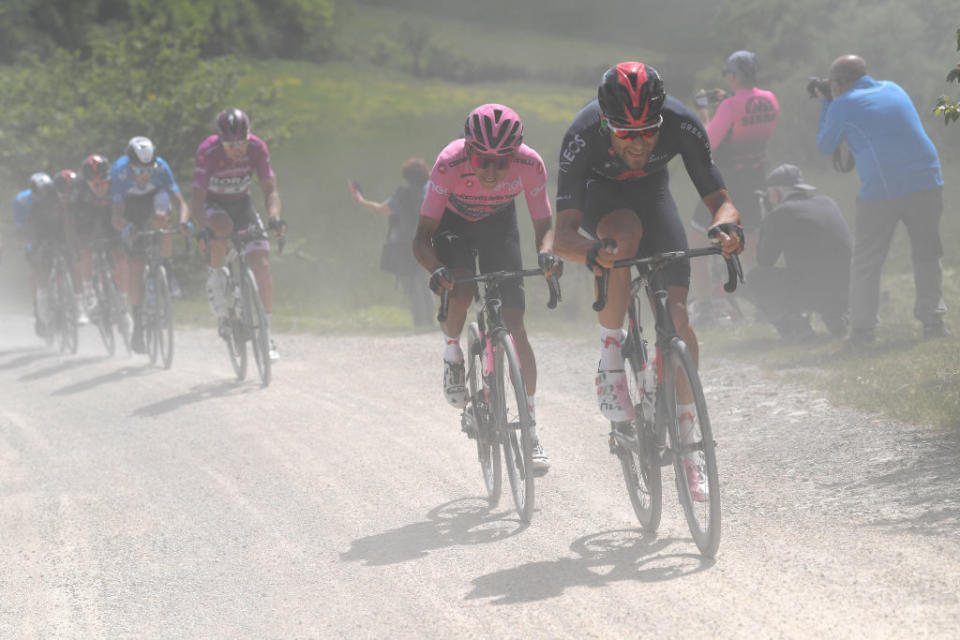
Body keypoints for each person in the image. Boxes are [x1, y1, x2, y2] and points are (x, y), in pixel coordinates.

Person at [552, 62, 742, 501]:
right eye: (625, 133)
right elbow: (562, 236)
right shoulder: (581, 138)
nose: (638, 143)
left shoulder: (681, 123)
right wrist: (591, 253)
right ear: (605, 123)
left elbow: (723, 204)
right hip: (606, 201)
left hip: (655, 199)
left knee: (677, 319)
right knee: (622, 239)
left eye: (647, 132)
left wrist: (727, 229)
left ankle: (691, 450)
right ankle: (611, 358)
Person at [412, 103, 561, 472]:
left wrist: (546, 255)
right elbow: (421, 239)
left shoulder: (531, 164)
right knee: (461, 292)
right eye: (483, 162)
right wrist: (437, 270)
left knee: (516, 325)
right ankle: (452, 354)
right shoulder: (448, 162)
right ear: (468, 150)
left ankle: (530, 430)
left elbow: (544, 227)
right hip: (453, 225)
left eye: (502, 161)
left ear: (517, 154)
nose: (493, 171)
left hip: (499, 225)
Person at [815, 55, 946, 344]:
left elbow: (825, 144)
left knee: (866, 260)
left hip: (884, 188)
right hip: (928, 178)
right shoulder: (893, 87)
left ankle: (862, 330)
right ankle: (933, 322)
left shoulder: (842, 104)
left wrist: (826, 102)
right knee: (927, 253)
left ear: (836, 83)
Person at [689, 50, 779, 325]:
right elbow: (744, 117)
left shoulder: (729, 106)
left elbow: (709, 141)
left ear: (734, 75)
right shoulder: (770, 99)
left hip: (727, 184)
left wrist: (704, 111)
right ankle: (765, 307)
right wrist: (727, 103)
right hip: (755, 180)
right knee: (750, 246)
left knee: (695, 240)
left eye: (728, 74)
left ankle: (705, 307)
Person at [191, 107, 285, 362]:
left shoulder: (257, 148)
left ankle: (265, 333)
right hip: (214, 205)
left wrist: (274, 217)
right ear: (220, 140)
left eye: (241, 143)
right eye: (230, 145)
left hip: (242, 204)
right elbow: (197, 200)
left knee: (262, 264)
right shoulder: (207, 151)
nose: (237, 150)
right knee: (222, 229)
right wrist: (203, 227)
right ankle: (215, 276)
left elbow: (270, 190)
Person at [746, 164, 852, 340]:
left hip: (815, 289)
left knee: (756, 277)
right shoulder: (827, 201)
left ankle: (797, 329)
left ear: (776, 193)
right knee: (818, 273)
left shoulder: (779, 214)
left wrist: (766, 219)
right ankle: (837, 315)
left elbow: (765, 261)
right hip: (849, 286)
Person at [111, 136, 191, 354]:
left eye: (148, 170)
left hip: (155, 199)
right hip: (131, 208)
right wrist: (126, 227)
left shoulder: (162, 168)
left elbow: (180, 202)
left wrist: (183, 222)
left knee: (161, 218)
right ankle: (138, 324)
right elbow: (116, 216)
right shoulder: (119, 172)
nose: (144, 175)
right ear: (130, 166)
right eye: (139, 171)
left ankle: (168, 268)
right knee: (136, 265)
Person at [349, 158, 434, 328]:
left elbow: (381, 209)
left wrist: (361, 200)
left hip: (405, 245)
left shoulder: (403, 195)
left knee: (410, 284)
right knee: (426, 283)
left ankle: (420, 323)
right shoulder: (432, 191)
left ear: (407, 177)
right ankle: (430, 322)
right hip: (428, 243)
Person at [14, 172, 66, 338]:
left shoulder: (56, 195)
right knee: (37, 268)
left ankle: (67, 295)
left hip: (53, 231)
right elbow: (22, 230)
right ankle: (39, 305)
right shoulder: (22, 200)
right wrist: (32, 244)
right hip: (34, 234)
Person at [52, 168, 91, 325]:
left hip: (76, 233)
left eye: (70, 192)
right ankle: (50, 297)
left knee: (77, 264)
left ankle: (81, 303)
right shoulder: (50, 201)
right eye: (63, 193)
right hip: (54, 235)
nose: (66, 197)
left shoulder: (80, 198)